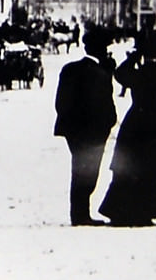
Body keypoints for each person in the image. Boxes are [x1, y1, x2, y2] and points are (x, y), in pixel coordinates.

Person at [98, 30, 156, 226]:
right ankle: (145, 211)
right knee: (152, 166)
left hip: (136, 120)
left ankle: (120, 210)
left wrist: (136, 54)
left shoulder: (138, 74)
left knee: (127, 165)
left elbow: (119, 74)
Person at [53, 27, 117, 226]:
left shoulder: (70, 69)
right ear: (101, 50)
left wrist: (69, 124)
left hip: (73, 131)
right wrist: (107, 125)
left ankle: (79, 213)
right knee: (89, 172)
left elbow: (60, 102)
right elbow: (106, 105)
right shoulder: (101, 74)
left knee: (79, 168)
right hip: (94, 133)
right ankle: (81, 215)